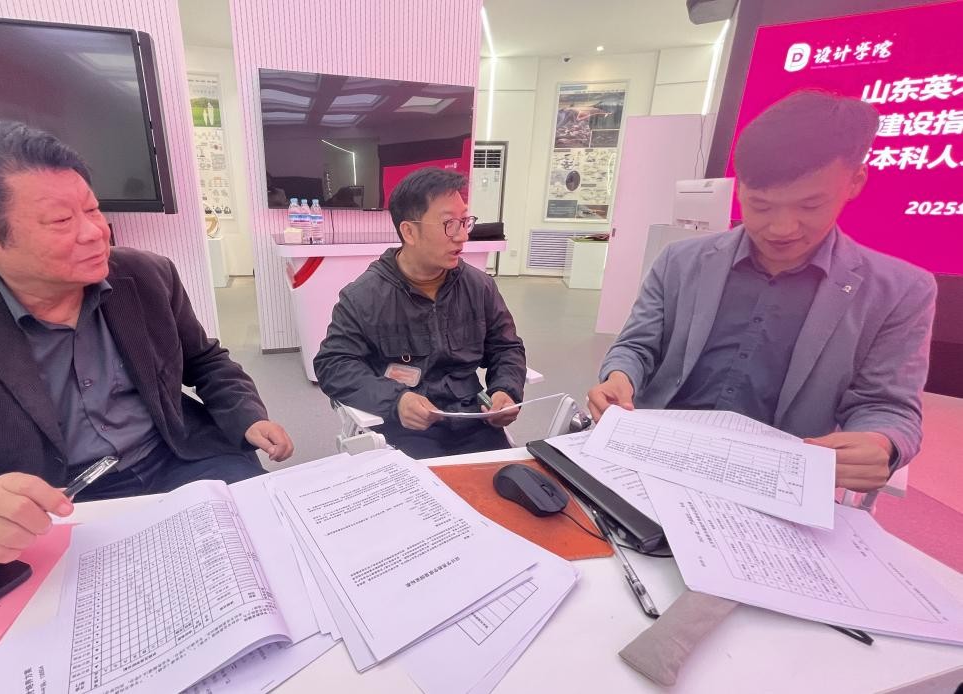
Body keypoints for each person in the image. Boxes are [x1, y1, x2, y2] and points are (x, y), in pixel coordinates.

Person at [0, 119, 293, 582]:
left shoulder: (147, 275)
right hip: (55, 502)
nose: (95, 233)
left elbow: (204, 360)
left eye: (93, 210)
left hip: (183, 458)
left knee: (281, 560)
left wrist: (245, 415)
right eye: (60, 221)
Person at [587, 90, 936, 493]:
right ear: (739, 190)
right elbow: (637, 346)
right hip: (657, 452)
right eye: (761, 206)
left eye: (809, 206)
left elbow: (887, 405)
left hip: (777, 478)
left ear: (855, 182)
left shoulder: (900, 291)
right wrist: (620, 376)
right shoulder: (681, 261)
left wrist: (882, 443)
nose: (781, 228)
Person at [314, 167, 526, 459]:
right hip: (405, 426)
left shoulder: (479, 287)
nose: (462, 236)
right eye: (449, 224)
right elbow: (333, 365)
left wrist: (506, 390)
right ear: (409, 232)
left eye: (465, 221)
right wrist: (395, 401)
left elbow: (506, 347)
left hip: (472, 417)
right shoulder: (364, 297)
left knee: (507, 480)